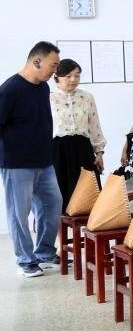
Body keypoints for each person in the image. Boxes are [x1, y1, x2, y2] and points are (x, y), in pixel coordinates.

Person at [1, 42, 62, 276]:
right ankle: (25, 260)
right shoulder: (10, 89)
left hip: (44, 161)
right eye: (53, 65)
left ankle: (44, 252)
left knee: (52, 204)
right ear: (37, 61)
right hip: (17, 164)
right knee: (19, 213)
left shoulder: (43, 87)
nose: (55, 71)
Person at [49, 58, 106, 204]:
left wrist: (99, 152)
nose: (73, 80)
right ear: (57, 77)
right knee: (60, 193)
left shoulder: (87, 97)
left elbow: (94, 125)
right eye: (68, 76)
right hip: (58, 150)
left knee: (87, 194)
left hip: (83, 149)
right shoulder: (49, 98)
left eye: (77, 76)